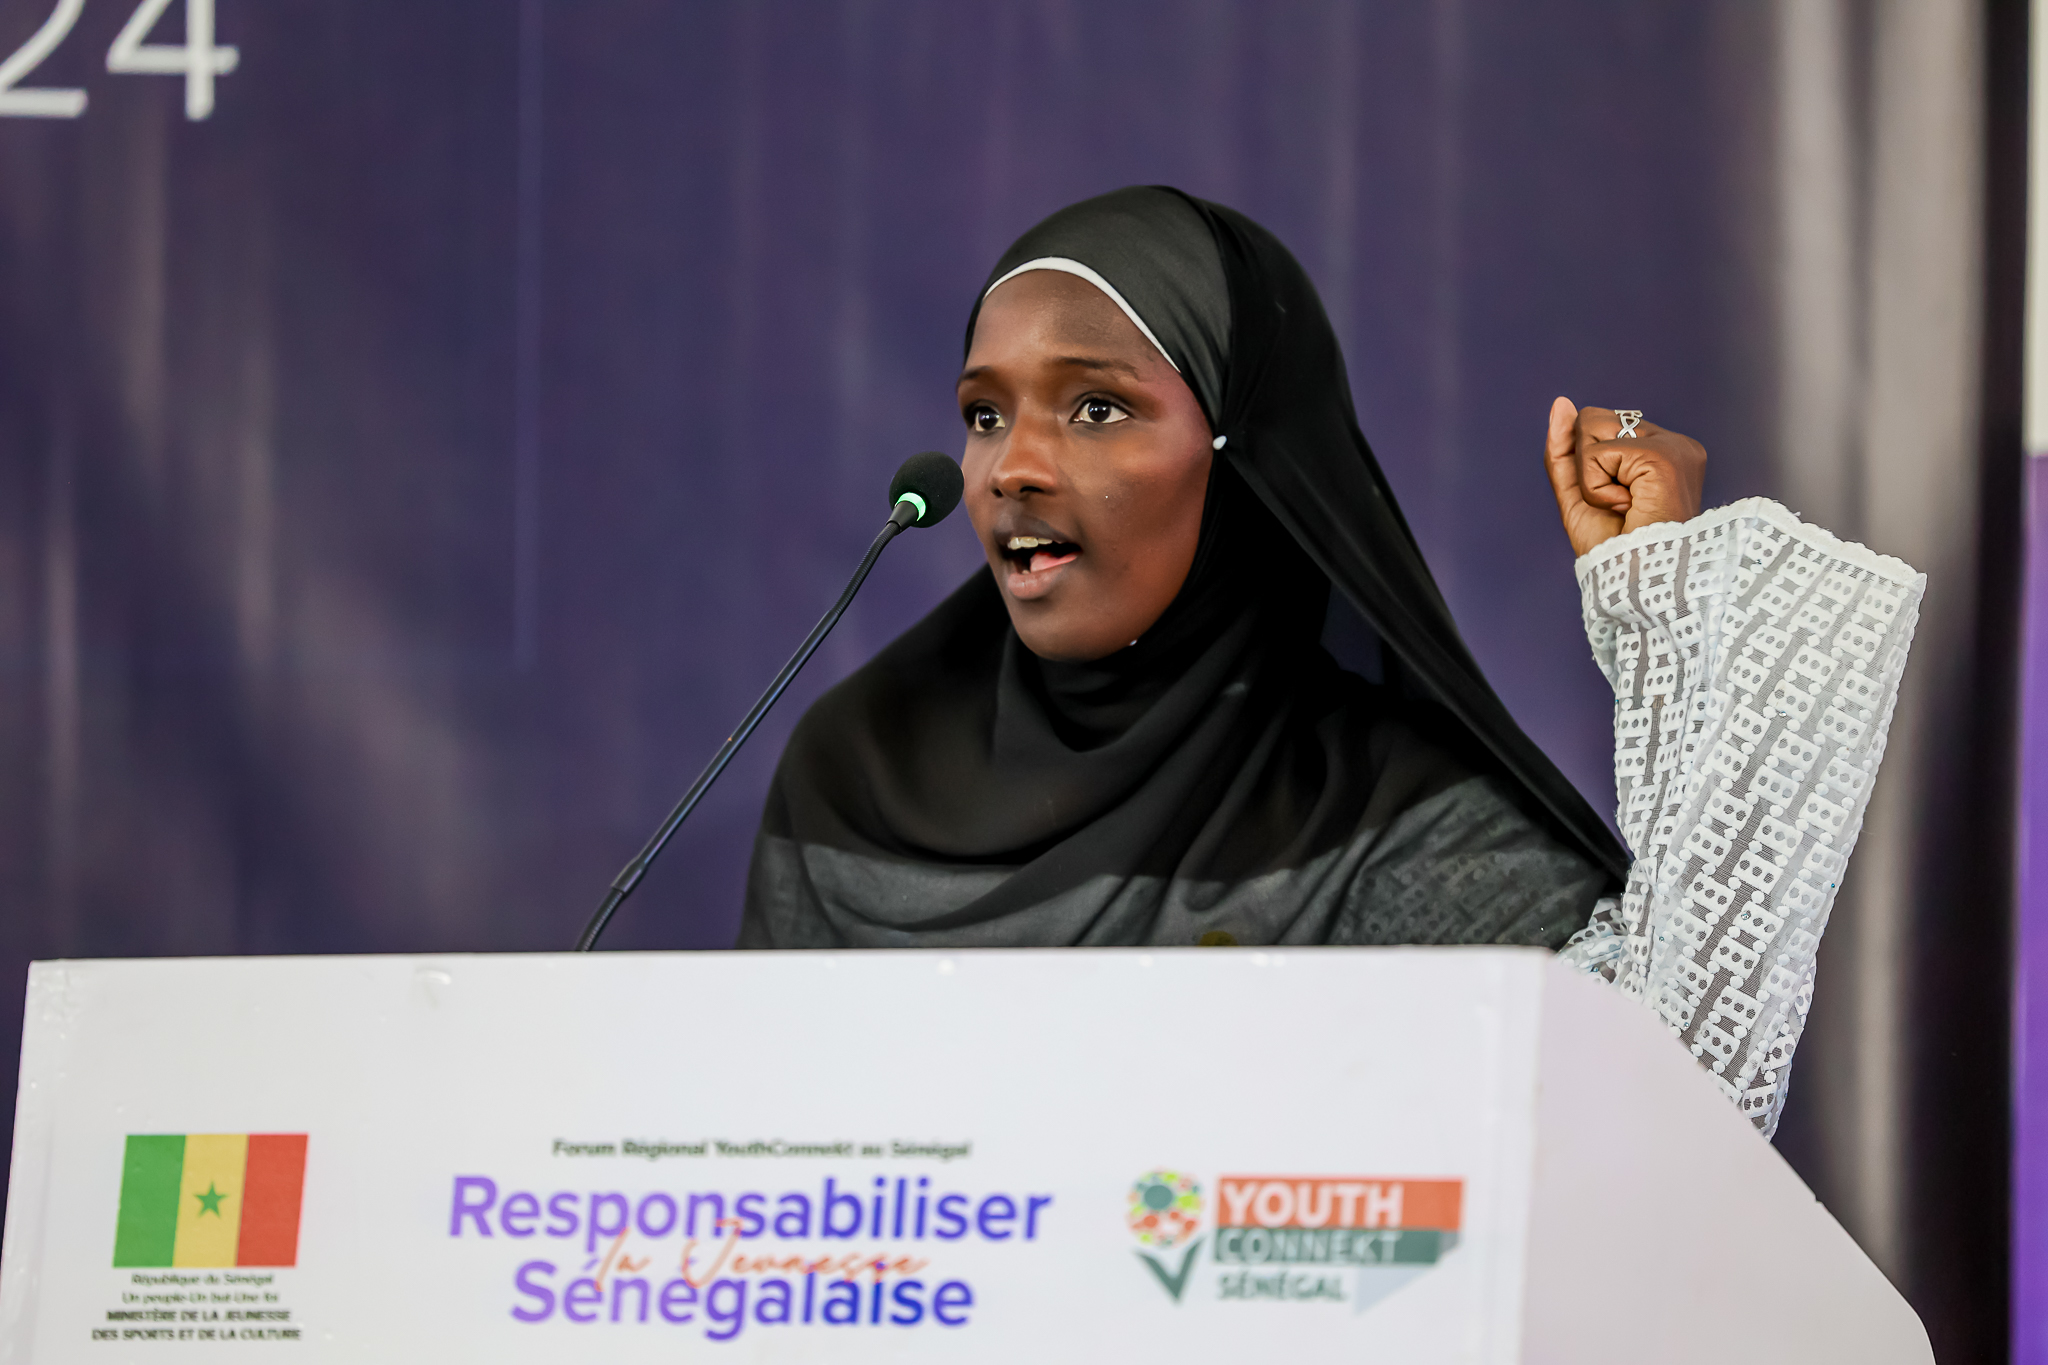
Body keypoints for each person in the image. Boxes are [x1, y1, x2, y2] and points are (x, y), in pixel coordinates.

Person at [738, 187, 1922, 1136]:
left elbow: (1660, 1130)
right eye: (983, 414)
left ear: (1238, 452)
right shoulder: (859, 770)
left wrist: (1659, 598)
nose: (1009, 469)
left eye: (1094, 408)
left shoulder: (1390, 819)